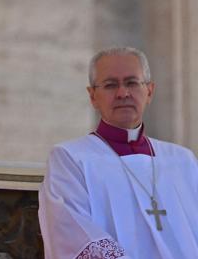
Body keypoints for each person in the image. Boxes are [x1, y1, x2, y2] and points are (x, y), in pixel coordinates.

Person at [38, 46, 198, 259]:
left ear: (149, 91)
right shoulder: (70, 158)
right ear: (93, 96)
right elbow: (71, 232)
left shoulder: (182, 160)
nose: (123, 93)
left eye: (132, 82)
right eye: (111, 85)